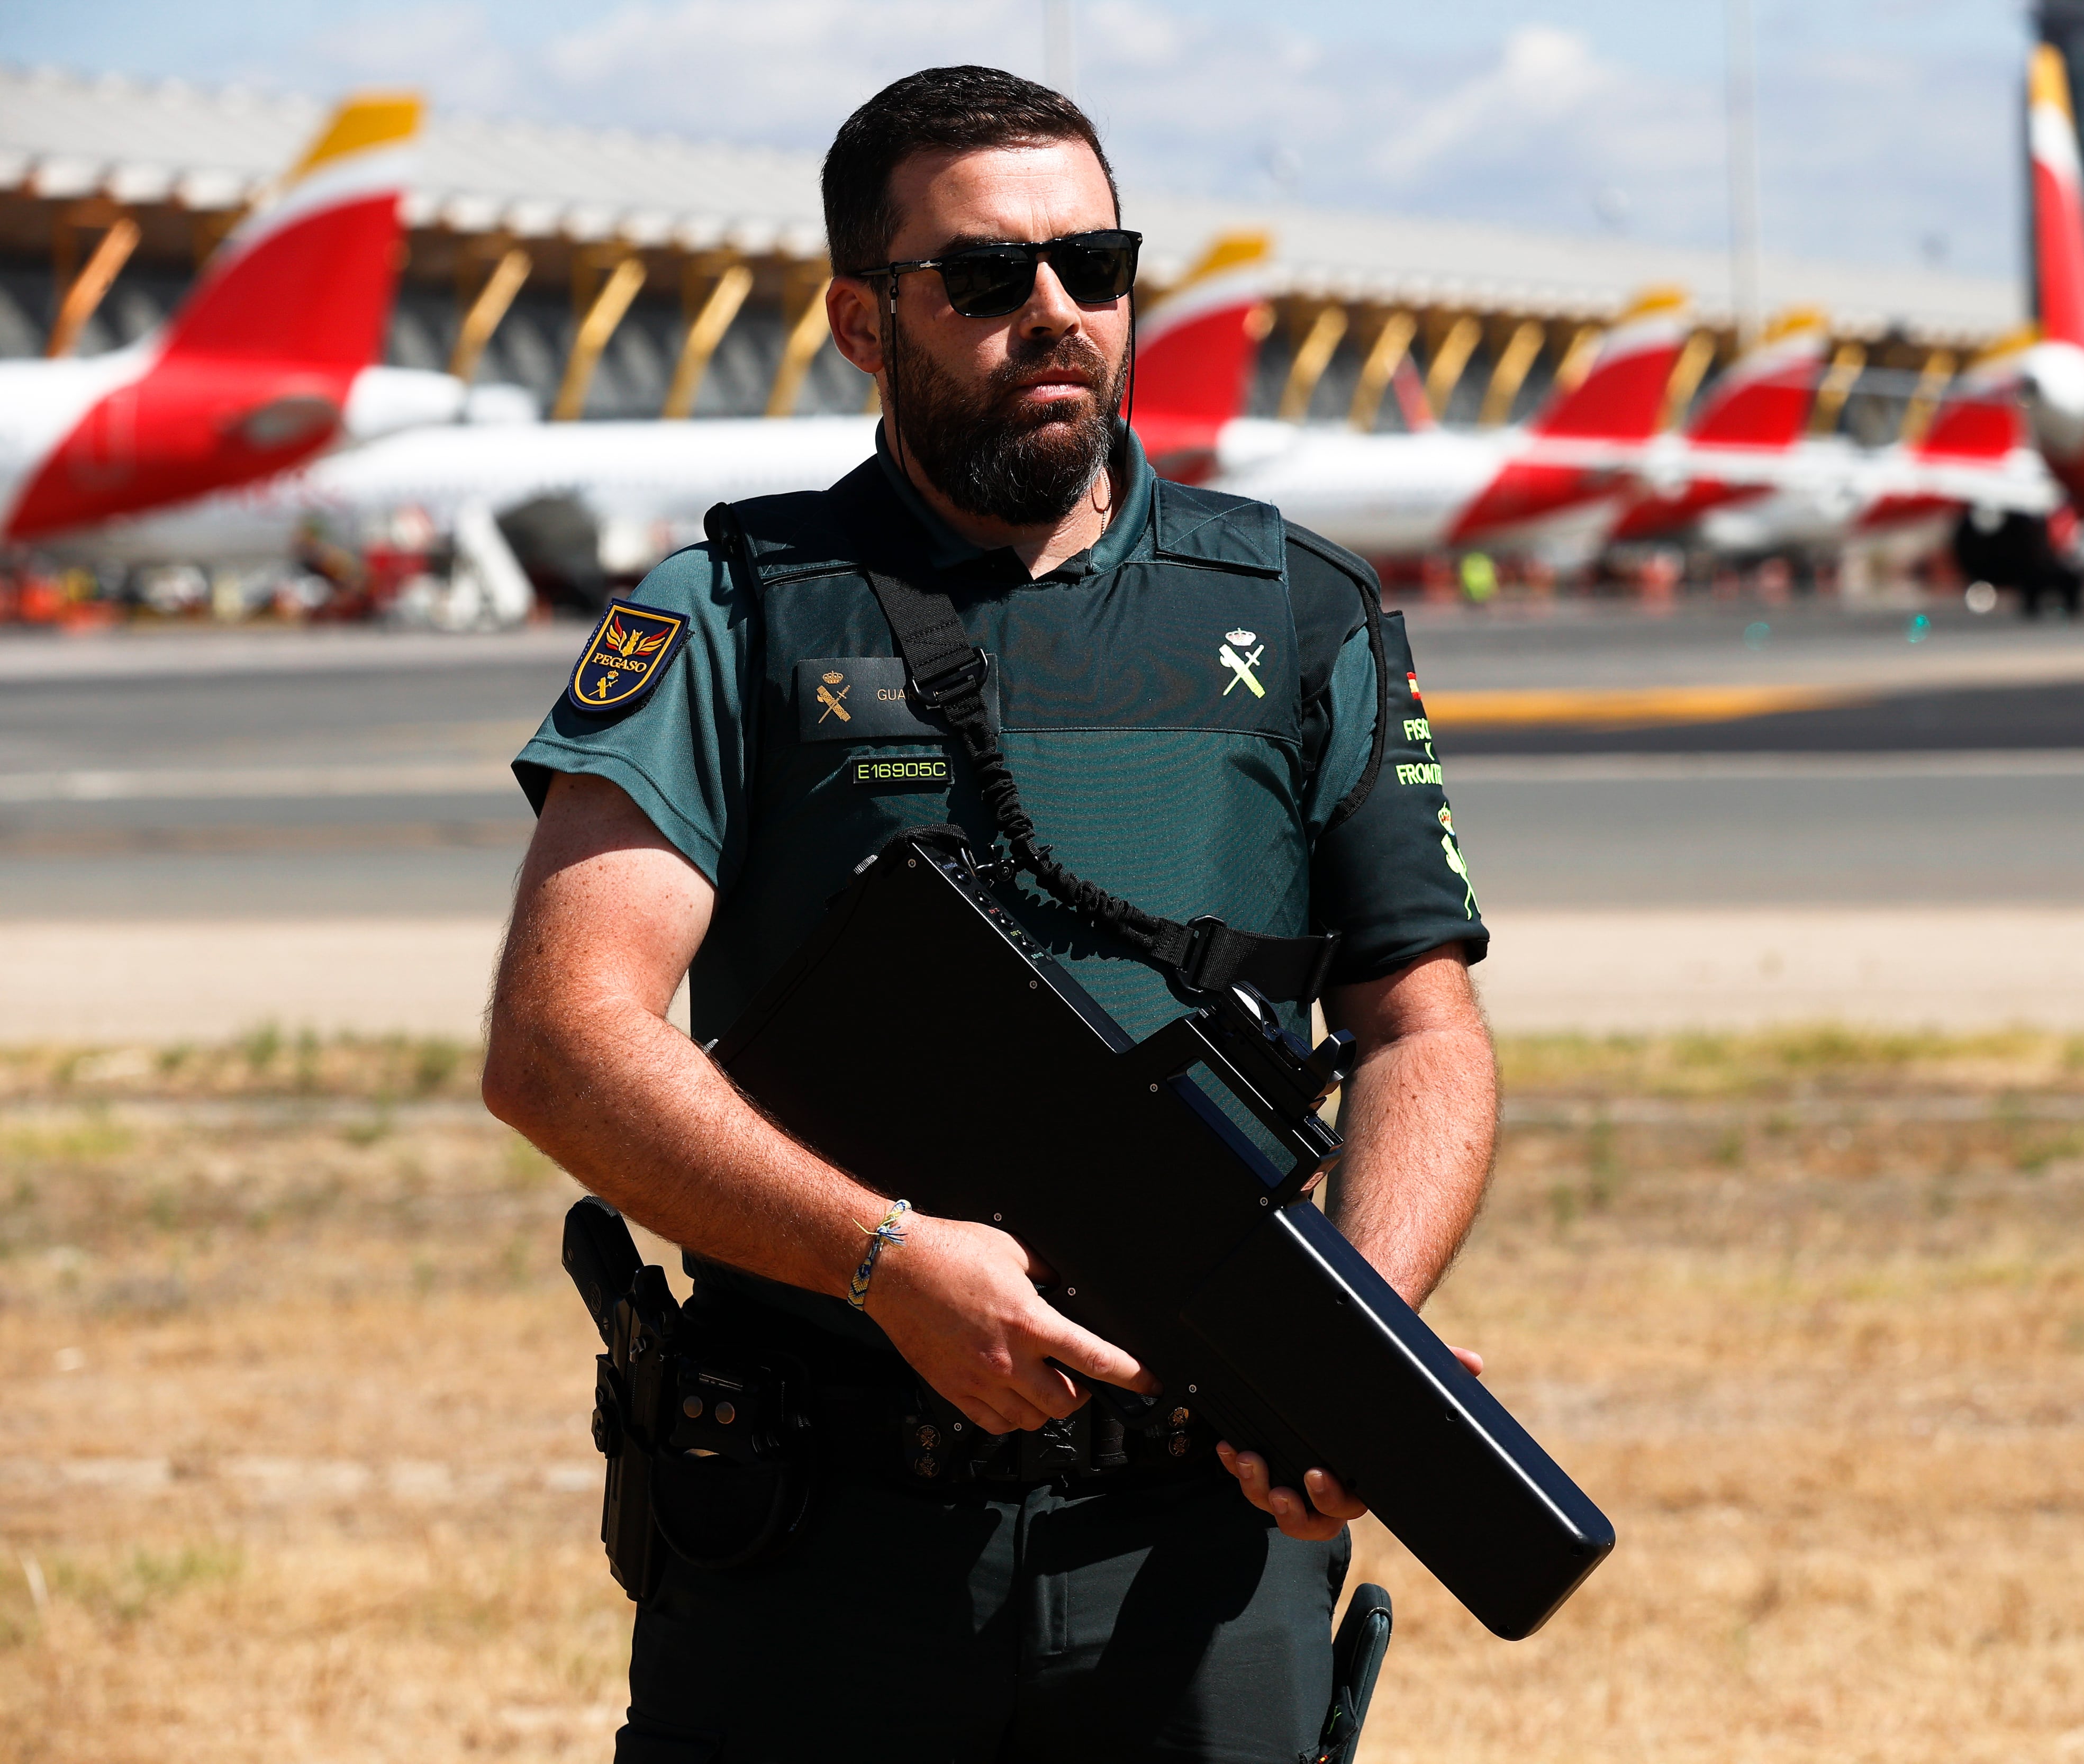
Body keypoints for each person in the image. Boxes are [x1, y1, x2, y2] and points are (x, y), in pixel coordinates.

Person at [483, 65, 1497, 1764]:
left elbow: (1421, 1021)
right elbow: (562, 1041)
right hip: (824, 1548)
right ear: (863, 325)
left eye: (1094, 269)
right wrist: (883, 1264)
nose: (1055, 315)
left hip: (1195, 1550)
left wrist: (1349, 1347)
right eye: (983, 278)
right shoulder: (732, 613)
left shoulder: (1300, 608)